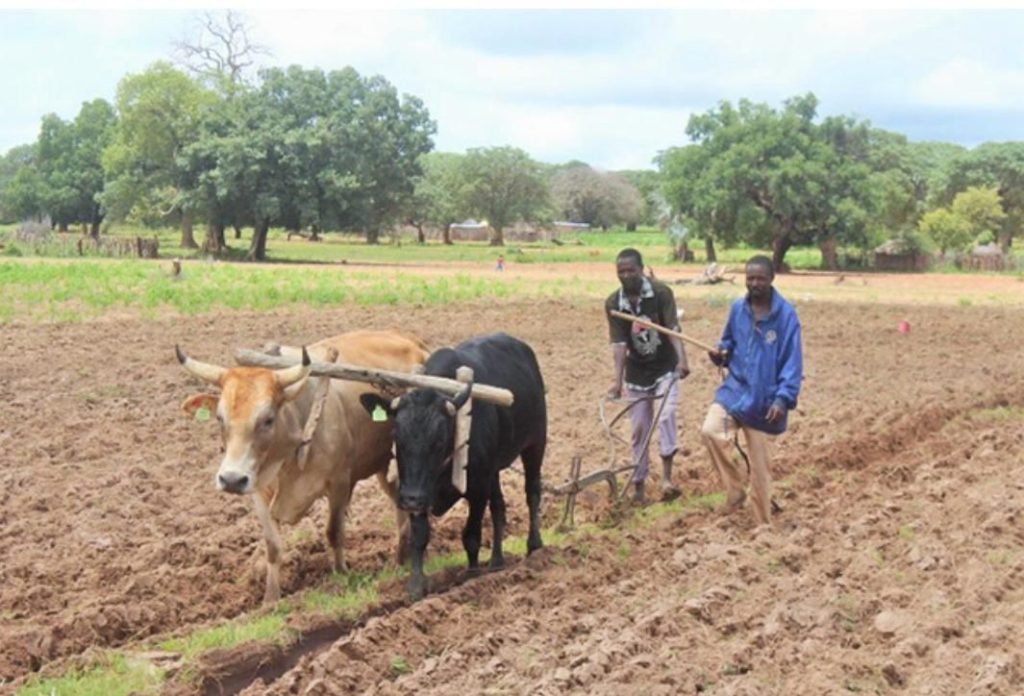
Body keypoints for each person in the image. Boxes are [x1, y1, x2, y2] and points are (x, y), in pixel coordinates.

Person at [701, 255, 803, 526]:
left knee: (760, 468)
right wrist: (720, 354)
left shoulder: (786, 316)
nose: (755, 283)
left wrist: (782, 399)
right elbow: (727, 343)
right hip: (735, 390)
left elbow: (792, 363)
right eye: (750, 278)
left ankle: (762, 525)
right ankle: (735, 491)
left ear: (772, 279)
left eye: (760, 278)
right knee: (710, 431)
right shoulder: (738, 309)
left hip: (764, 401)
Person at [606, 248, 690, 503]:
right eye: (621, 271)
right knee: (639, 428)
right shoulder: (614, 303)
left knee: (666, 416)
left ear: (641, 270)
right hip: (637, 372)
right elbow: (619, 345)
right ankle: (639, 487)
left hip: (665, 367)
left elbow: (673, 328)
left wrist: (683, 360)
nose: (626, 275)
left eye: (631, 270)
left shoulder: (661, 293)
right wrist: (617, 382)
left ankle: (666, 479)